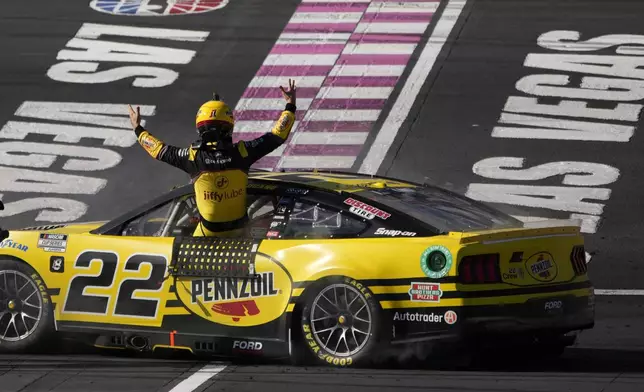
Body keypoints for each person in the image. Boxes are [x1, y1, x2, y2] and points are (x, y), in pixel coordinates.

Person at [128, 79, 297, 237]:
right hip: (241, 234)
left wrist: (138, 129)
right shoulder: (243, 152)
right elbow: (278, 135)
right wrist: (290, 105)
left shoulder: (193, 157)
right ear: (229, 126)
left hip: (206, 235)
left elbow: (158, 149)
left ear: (200, 129)